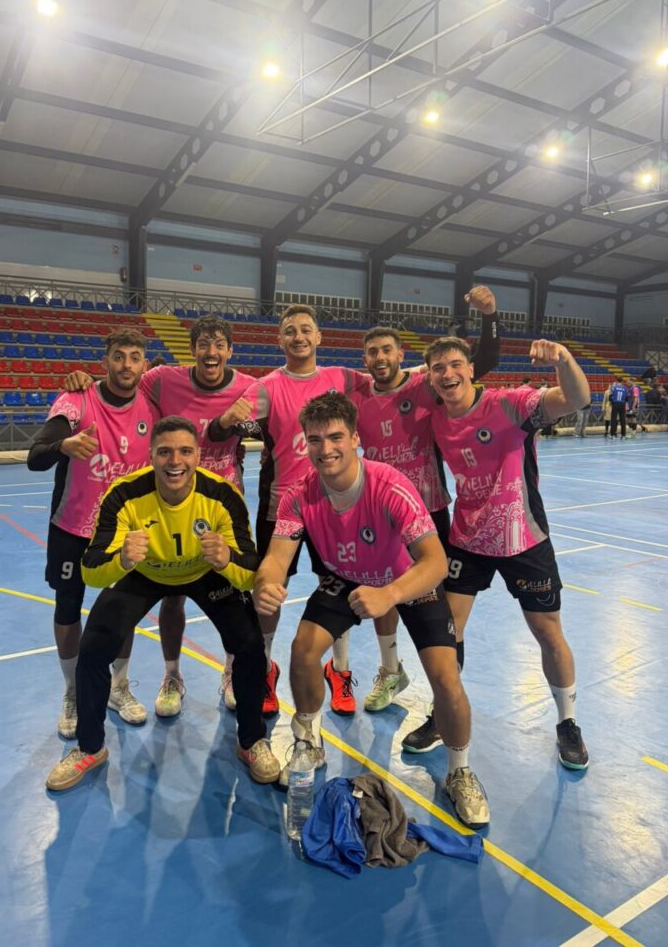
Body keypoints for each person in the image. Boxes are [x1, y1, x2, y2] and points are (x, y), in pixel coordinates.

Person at [212, 295, 500, 718]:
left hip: (352, 504)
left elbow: (425, 373)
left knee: (352, 582)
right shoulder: (266, 386)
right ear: (279, 339)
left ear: (319, 337)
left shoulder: (344, 378)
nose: (298, 337)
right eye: (290, 330)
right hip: (287, 504)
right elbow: (223, 431)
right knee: (272, 587)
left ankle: (343, 672)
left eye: (306, 329)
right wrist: (223, 420)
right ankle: (261, 668)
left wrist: (484, 325)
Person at [252, 392, 490, 829]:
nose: (326, 449)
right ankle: (308, 740)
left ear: (356, 438)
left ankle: (460, 770)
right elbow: (276, 558)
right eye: (315, 439)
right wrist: (265, 583)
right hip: (344, 577)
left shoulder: (390, 485)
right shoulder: (298, 494)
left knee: (445, 674)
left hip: (405, 582)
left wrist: (390, 594)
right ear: (305, 443)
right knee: (304, 649)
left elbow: (435, 563)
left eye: (336, 437)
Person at [45, 416, 279, 791]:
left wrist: (227, 562)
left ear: (198, 455)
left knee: (250, 645)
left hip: (207, 573)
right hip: (144, 572)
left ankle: (252, 740)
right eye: (165, 451)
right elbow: (91, 571)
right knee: (92, 648)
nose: (176, 461)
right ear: (150, 455)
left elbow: (251, 573)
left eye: (185, 451)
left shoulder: (223, 495)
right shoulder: (123, 494)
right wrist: (122, 560)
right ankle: (90, 747)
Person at [404, 336, 589, 770]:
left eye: (454, 364)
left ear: (471, 368)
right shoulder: (434, 418)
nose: (447, 374)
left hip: (523, 537)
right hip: (468, 539)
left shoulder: (511, 404)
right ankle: (442, 714)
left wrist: (563, 358)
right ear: (430, 376)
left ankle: (568, 723)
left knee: (547, 631)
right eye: (437, 368)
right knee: (447, 632)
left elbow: (577, 398)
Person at [64, 315, 258, 718]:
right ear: (192, 349)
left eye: (219, 344)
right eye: (203, 343)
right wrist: (83, 382)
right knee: (172, 596)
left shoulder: (250, 387)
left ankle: (231, 673)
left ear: (230, 350)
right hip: (170, 500)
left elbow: (279, 415)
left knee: (234, 600)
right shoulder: (161, 378)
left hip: (223, 504)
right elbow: (122, 385)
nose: (211, 352)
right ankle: (172, 675)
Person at [351, 285, 500, 711]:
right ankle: (391, 668)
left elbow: (483, 363)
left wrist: (489, 316)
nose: (380, 358)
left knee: (440, 610)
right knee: (385, 594)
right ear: (365, 360)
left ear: (400, 355)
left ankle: (444, 701)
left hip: (431, 512)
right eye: (372, 352)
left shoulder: (424, 386)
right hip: (383, 514)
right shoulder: (357, 398)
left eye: (387, 350)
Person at [28, 328, 159, 739]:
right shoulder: (76, 400)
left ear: (144, 364)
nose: (126, 365)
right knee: (68, 607)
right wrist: (63, 446)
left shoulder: (151, 405)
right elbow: (35, 457)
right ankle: (72, 692)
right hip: (72, 527)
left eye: (135, 357)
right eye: (119, 356)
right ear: (105, 361)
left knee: (123, 613)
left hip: (124, 532)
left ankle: (118, 687)